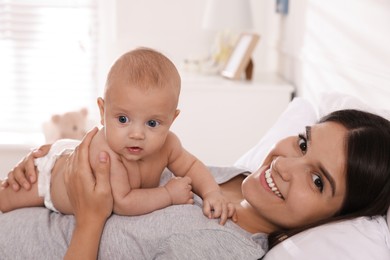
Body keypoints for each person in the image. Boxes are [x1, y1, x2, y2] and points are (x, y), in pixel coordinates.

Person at [2, 109, 390, 259]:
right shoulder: (235, 184)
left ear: (338, 217)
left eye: (318, 180)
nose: (287, 164)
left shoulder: (222, 249)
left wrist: (90, 220)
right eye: (303, 143)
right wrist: (56, 157)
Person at [0, 47, 235, 224]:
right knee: (5, 198)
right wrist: (167, 194)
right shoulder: (107, 154)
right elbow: (123, 202)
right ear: (102, 112)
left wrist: (212, 192)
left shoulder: (169, 144)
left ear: (172, 119)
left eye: (152, 123)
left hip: (70, 153)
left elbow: (191, 165)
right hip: (51, 178)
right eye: (122, 119)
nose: (136, 134)